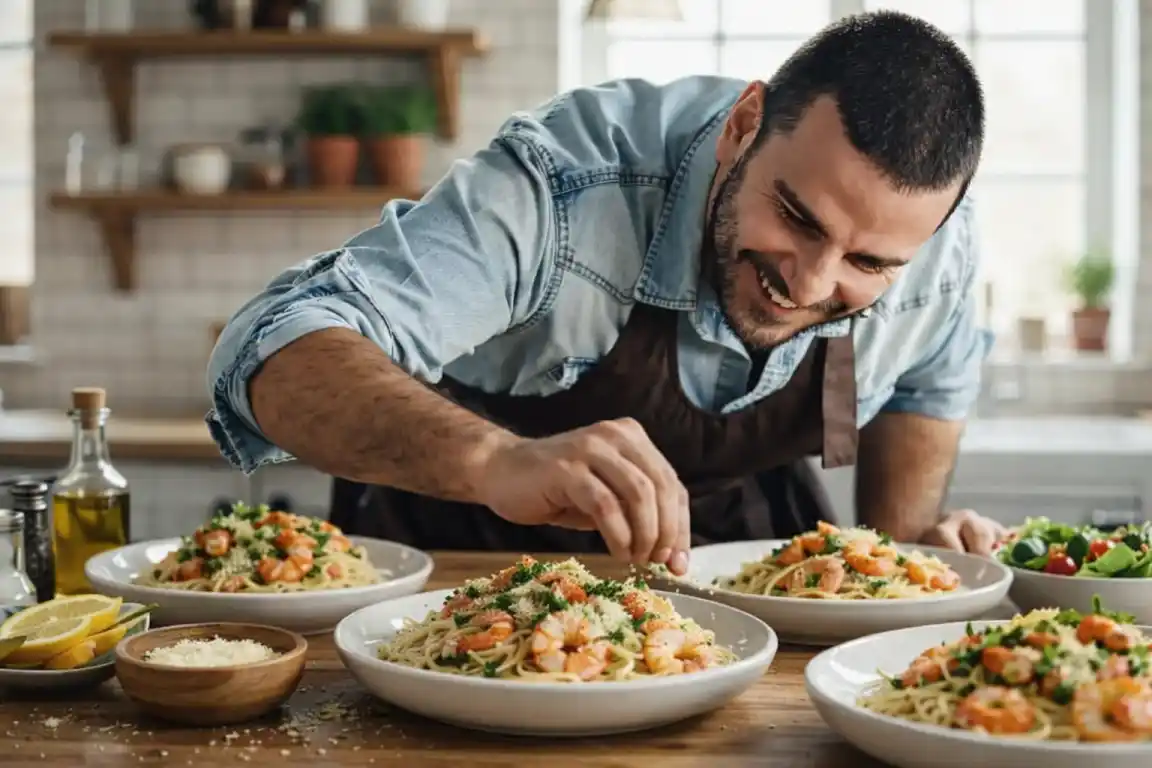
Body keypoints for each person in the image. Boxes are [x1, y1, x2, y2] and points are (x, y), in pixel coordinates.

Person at [206, 10, 1006, 577]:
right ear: (743, 124)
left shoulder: (937, 248)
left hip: (751, 570)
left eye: (868, 264)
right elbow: (272, 347)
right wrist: (496, 458)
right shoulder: (565, 185)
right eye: (795, 217)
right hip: (464, 548)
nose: (810, 282)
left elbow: (923, 411)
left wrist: (920, 556)